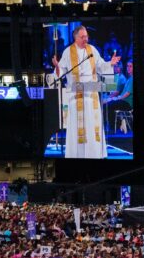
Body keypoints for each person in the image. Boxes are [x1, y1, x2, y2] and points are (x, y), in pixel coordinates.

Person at [52, 25, 121, 159]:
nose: (86, 39)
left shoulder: (92, 50)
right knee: (78, 128)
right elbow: (60, 72)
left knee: (92, 127)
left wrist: (110, 63)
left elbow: (101, 66)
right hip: (76, 96)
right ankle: (77, 156)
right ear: (76, 38)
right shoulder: (68, 52)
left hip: (91, 96)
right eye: (83, 37)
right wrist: (57, 68)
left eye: (87, 36)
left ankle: (94, 155)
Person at [104, 60, 133, 134]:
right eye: (127, 66)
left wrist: (115, 98)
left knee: (108, 105)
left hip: (127, 103)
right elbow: (111, 89)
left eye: (130, 66)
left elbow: (126, 94)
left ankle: (114, 127)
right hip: (123, 100)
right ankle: (111, 126)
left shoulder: (128, 79)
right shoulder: (129, 78)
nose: (128, 68)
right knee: (107, 103)